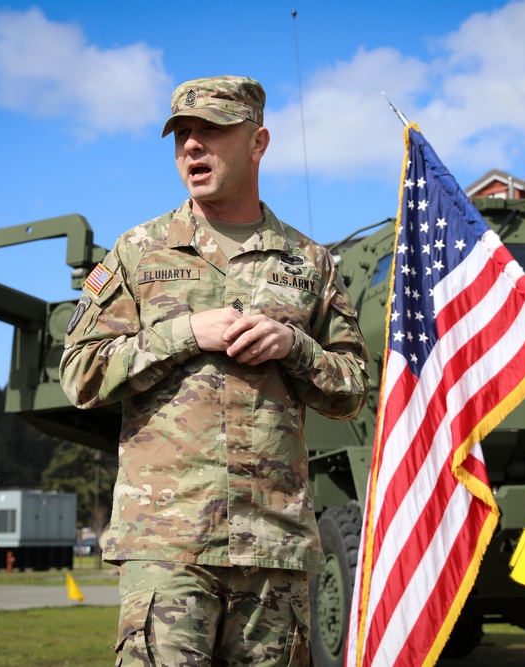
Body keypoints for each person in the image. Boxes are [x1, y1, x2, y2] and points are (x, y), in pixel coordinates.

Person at [59, 75, 370, 666]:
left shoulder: (309, 264)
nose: (192, 147)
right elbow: (78, 373)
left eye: (212, 131)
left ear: (258, 142)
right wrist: (182, 334)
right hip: (167, 546)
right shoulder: (139, 252)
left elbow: (353, 390)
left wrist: (293, 346)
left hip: (273, 550)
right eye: (182, 134)